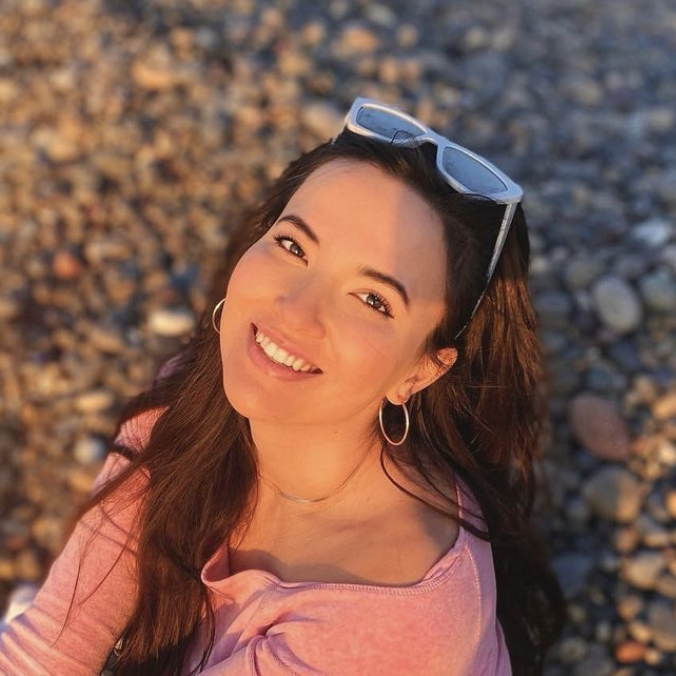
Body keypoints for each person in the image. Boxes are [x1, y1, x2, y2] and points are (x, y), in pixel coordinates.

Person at [0, 97, 565, 676]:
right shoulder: (191, 400)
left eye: (372, 300)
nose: (293, 312)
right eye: (293, 246)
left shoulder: (391, 621)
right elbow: (47, 651)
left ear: (421, 371)